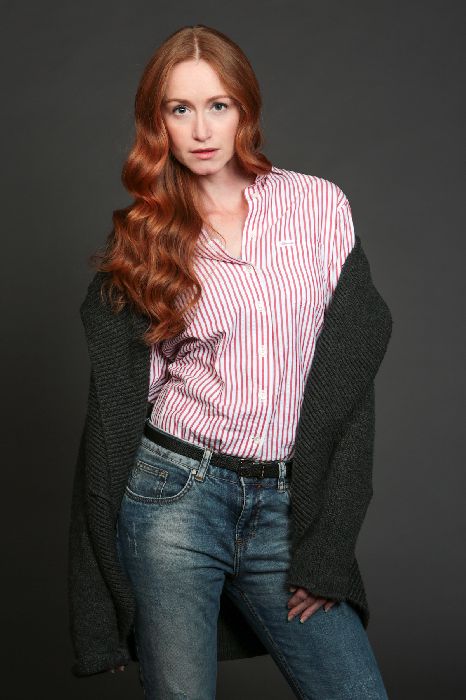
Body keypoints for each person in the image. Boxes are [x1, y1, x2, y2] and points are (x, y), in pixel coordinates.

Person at [68, 24, 393, 699]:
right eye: (179, 108)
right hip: (173, 498)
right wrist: (99, 596)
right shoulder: (146, 237)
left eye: (218, 105)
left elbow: (350, 386)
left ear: (246, 107)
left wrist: (330, 545)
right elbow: (117, 414)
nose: (201, 129)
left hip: (287, 505)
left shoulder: (319, 206)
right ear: (156, 121)